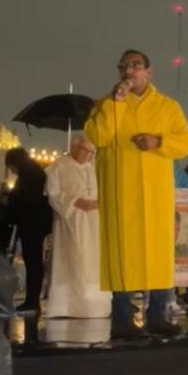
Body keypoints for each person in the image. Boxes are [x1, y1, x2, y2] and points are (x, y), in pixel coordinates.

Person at [84, 49, 188, 338]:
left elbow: (185, 142)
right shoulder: (104, 104)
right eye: (124, 66)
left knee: (157, 255)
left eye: (136, 65)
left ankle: (157, 315)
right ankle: (122, 319)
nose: (129, 70)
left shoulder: (168, 107)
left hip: (155, 196)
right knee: (121, 254)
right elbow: (98, 136)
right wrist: (115, 103)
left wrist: (158, 141)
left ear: (149, 71)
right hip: (120, 194)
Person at [44, 135, 111, 319]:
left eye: (92, 152)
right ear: (74, 147)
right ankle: (69, 307)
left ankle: (95, 307)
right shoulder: (58, 167)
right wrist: (75, 202)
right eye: (84, 150)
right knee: (74, 260)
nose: (88, 155)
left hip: (95, 221)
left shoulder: (96, 168)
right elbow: (53, 194)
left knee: (93, 263)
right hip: (71, 221)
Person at [5, 147, 53, 316]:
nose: (10, 170)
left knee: (33, 263)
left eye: (10, 166)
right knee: (34, 263)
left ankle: (32, 301)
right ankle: (32, 300)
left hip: (31, 225)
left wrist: (10, 200)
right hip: (37, 225)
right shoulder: (37, 173)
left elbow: (22, 201)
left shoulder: (28, 178)